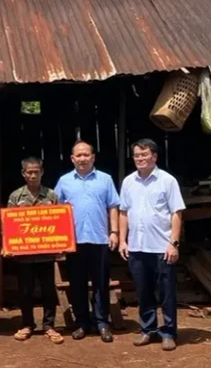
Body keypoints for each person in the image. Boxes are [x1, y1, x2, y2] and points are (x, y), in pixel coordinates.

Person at [119, 138, 185, 352]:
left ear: (154, 156)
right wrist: (122, 239)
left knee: (166, 292)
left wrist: (173, 243)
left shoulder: (167, 181)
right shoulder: (128, 182)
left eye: (144, 155)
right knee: (143, 292)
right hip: (137, 247)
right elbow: (123, 212)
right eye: (137, 155)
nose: (140, 159)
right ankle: (147, 330)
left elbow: (177, 213)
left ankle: (168, 332)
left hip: (161, 247)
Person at [55, 141, 120, 343]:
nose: (82, 158)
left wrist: (115, 232)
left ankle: (101, 322)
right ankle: (82, 322)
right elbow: (56, 209)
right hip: (74, 242)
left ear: (93, 157)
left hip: (99, 238)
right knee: (77, 283)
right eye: (78, 155)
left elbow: (113, 207)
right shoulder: (64, 181)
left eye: (86, 155)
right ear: (72, 159)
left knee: (101, 283)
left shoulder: (105, 179)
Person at [7, 157, 64, 345]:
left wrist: (61, 246)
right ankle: (27, 324)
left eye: (36, 171)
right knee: (25, 291)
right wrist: (8, 246)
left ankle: (49, 325)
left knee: (48, 290)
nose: (33, 175)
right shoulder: (16, 197)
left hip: (46, 255)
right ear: (23, 174)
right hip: (23, 255)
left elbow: (59, 223)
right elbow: (9, 225)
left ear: (42, 172)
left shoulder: (51, 196)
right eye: (29, 172)